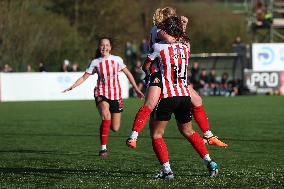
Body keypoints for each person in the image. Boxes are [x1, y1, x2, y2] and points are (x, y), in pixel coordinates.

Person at [126, 7, 228, 149]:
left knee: (197, 100)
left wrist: (183, 29)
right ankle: (134, 136)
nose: (176, 20)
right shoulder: (159, 29)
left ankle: (209, 135)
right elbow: (172, 40)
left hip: (170, 71)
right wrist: (183, 28)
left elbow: (180, 42)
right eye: (173, 18)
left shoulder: (166, 30)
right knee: (150, 105)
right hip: (158, 71)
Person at [145, 17, 218, 179]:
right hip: (184, 95)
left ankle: (167, 170)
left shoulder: (159, 47)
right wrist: (183, 28)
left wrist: (152, 76)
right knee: (188, 131)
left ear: (167, 31)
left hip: (166, 94)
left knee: (156, 134)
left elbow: (146, 66)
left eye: (163, 29)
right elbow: (180, 40)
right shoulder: (185, 46)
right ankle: (209, 161)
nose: (160, 30)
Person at [63, 37, 144, 157]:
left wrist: (137, 89)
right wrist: (72, 86)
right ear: (99, 47)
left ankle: (106, 133)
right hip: (101, 93)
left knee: (115, 128)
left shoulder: (117, 60)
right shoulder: (95, 62)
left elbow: (128, 74)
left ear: (110, 47)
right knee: (106, 115)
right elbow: (84, 77)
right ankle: (103, 149)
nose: (104, 47)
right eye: (102, 45)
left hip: (116, 95)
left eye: (107, 45)